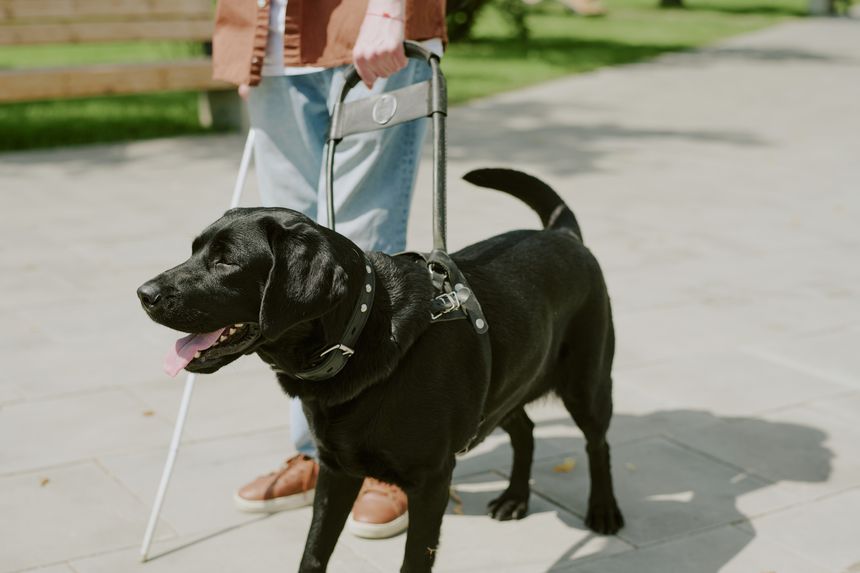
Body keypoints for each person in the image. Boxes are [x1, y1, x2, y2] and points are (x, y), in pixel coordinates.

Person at [210, 0, 446, 539]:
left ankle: (385, 463)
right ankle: (322, 454)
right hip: (273, 45)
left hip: (368, 31)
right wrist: (245, 41)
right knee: (287, 278)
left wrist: (391, 10)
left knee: (361, 252)